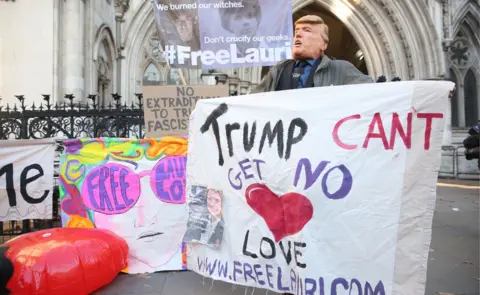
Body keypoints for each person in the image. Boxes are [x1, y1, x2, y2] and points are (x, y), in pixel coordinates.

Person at [251, 15, 373, 93]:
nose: (298, 34)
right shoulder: (278, 71)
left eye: (307, 30)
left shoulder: (341, 69)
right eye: (297, 31)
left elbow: (372, 94)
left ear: (323, 44)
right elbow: (252, 102)